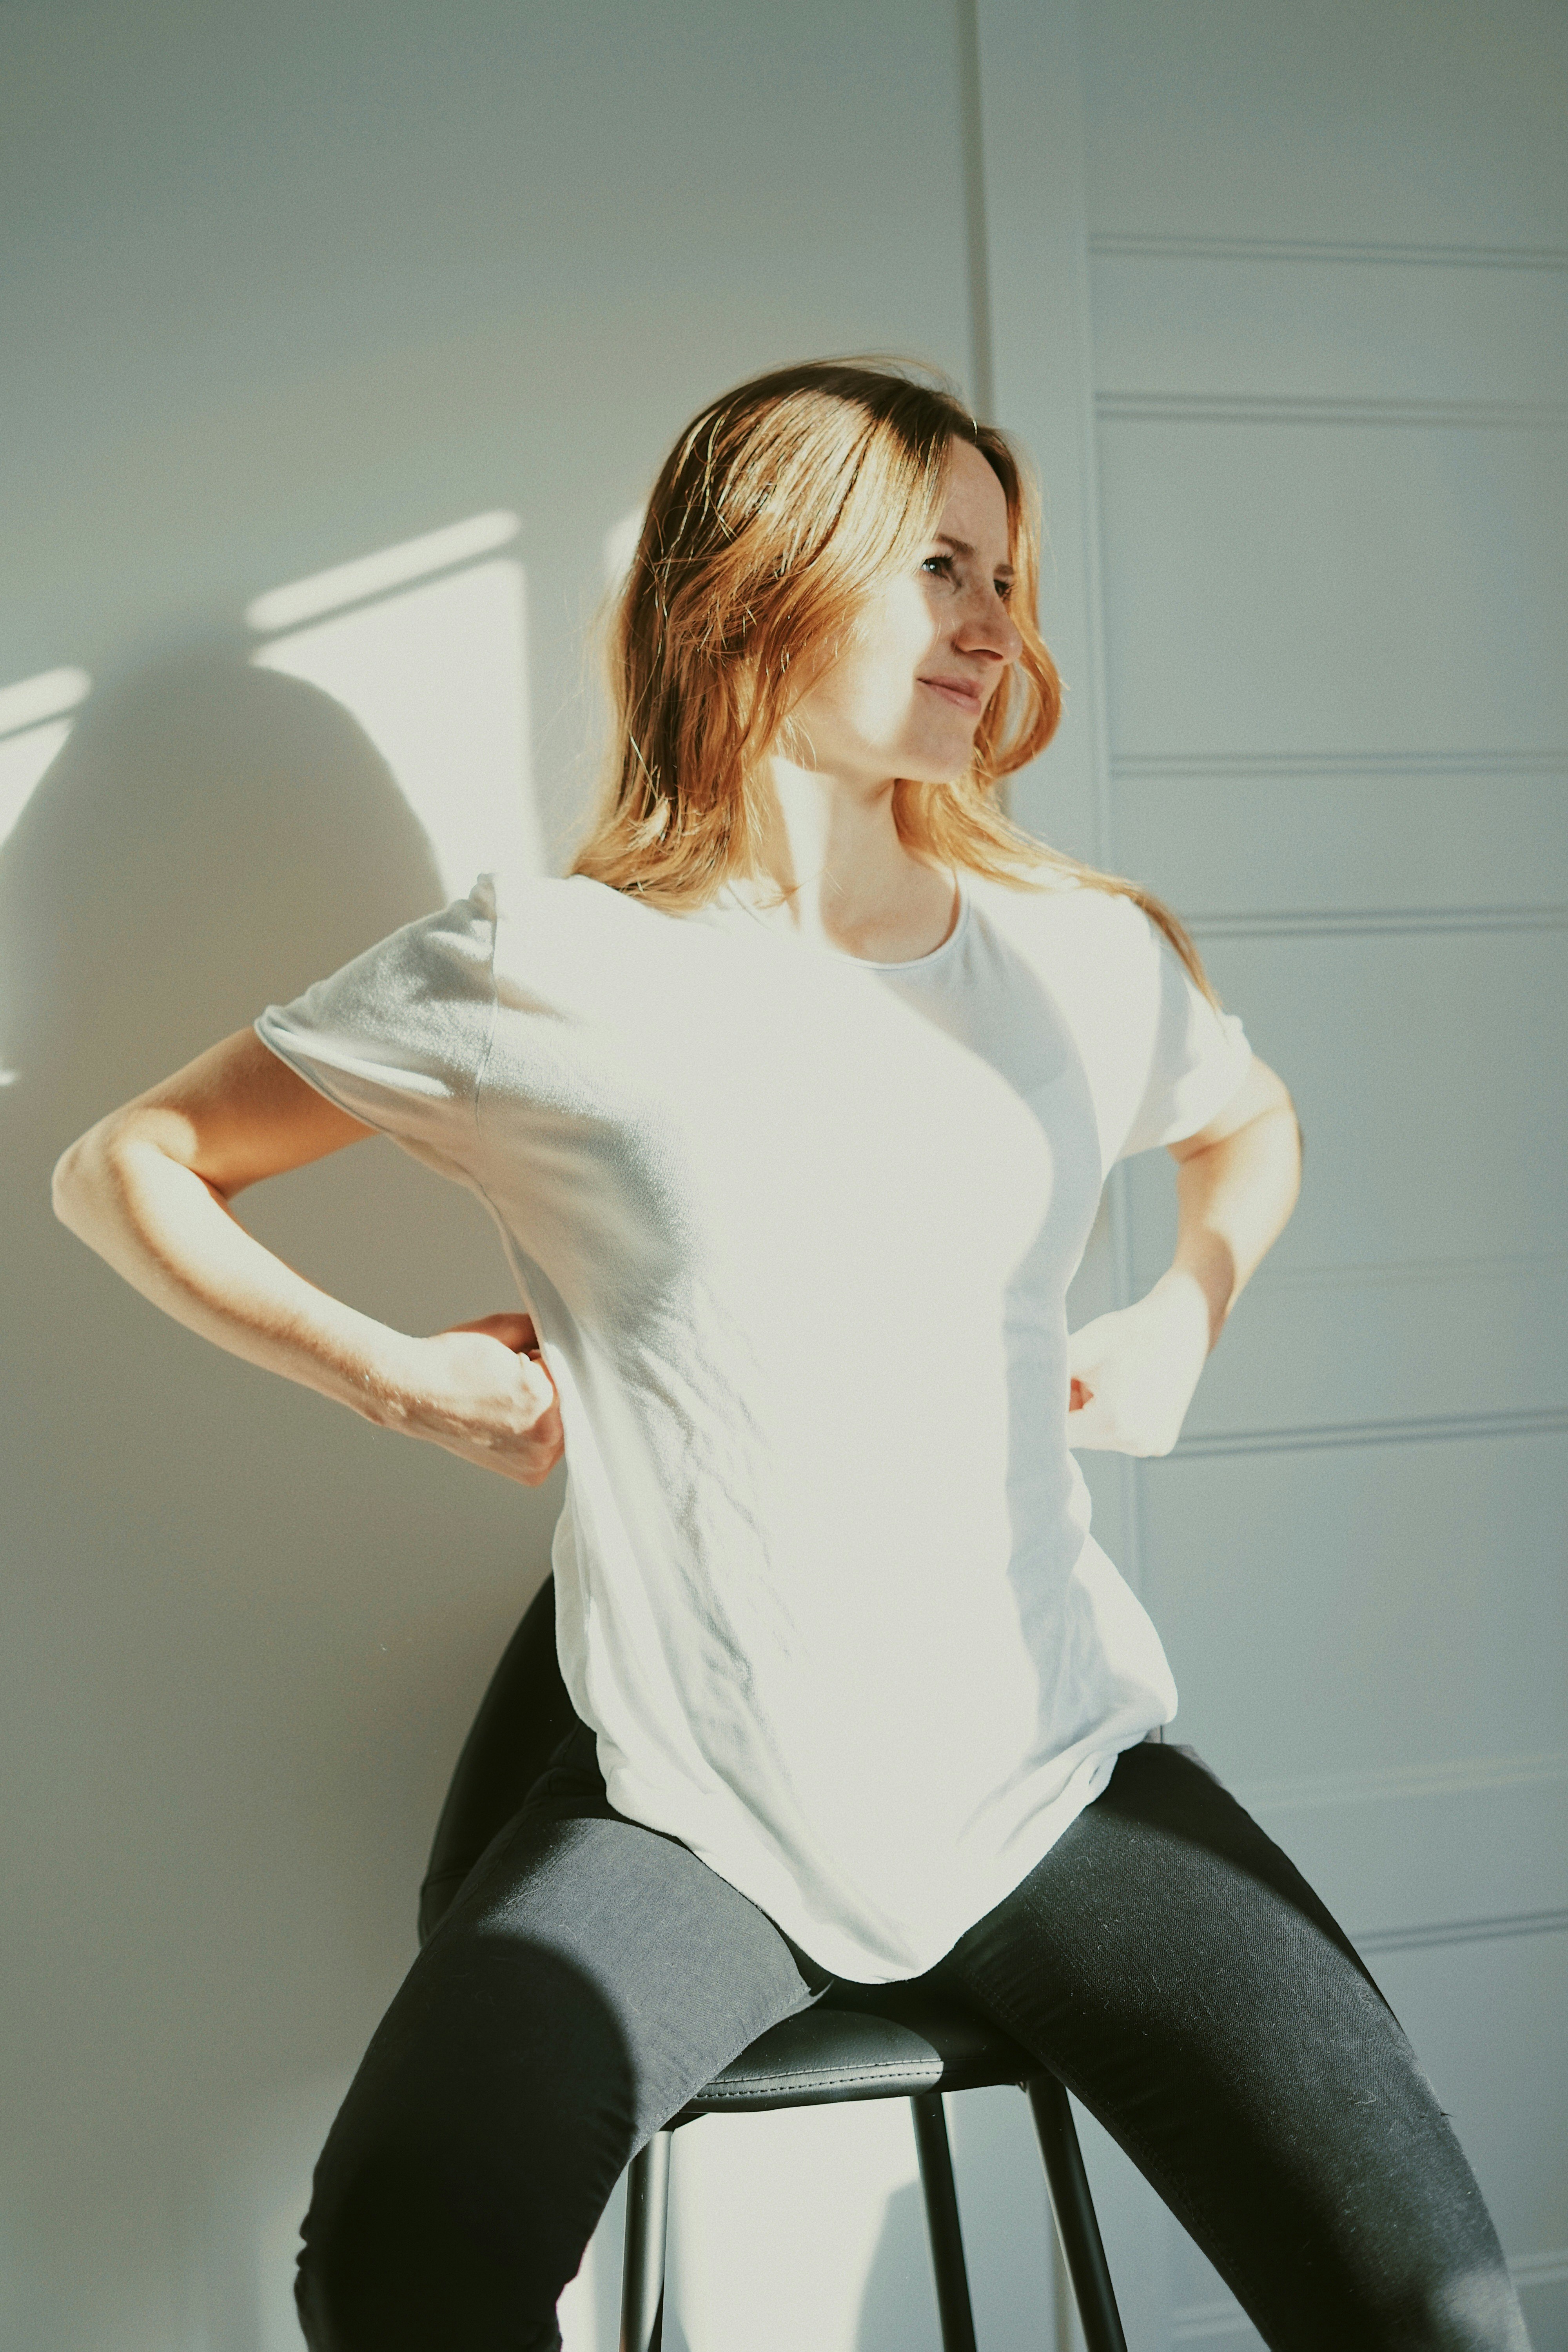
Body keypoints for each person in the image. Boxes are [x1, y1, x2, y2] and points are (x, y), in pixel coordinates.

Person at [53, 360, 1529, 2351]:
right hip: (693, 1796)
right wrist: (395, 1376)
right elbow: (119, 1164)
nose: (995, 623)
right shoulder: (540, 968)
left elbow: (1243, 1123)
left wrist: (1183, 1307)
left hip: (1054, 1772)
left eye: (1006, 573)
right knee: (404, 2257)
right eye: (935, 564)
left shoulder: (1077, 958)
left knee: (1432, 2307)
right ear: (750, 579)